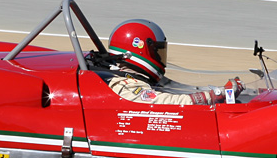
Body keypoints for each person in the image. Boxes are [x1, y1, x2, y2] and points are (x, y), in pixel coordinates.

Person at [102, 19, 241, 106]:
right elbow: (166, 101)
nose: (159, 56)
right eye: (156, 51)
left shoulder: (136, 76)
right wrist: (211, 96)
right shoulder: (124, 85)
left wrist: (219, 91)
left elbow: (177, 88)